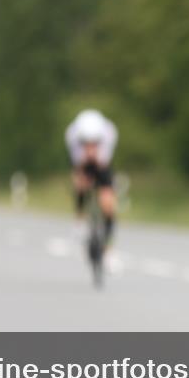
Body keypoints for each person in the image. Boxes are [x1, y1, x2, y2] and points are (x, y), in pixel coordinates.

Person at [64, 109, 119, 263]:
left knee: (108, 203)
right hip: (81, 162)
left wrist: (96, 156)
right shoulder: (72, 135)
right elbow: (77, 166)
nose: (90, 145)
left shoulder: (109, 134)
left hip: (101, 163)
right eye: (86, 143)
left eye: (94, 142)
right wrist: (84, 159)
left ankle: (109, 250)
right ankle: (79, 219)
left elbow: (104, 165)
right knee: (80, 183)